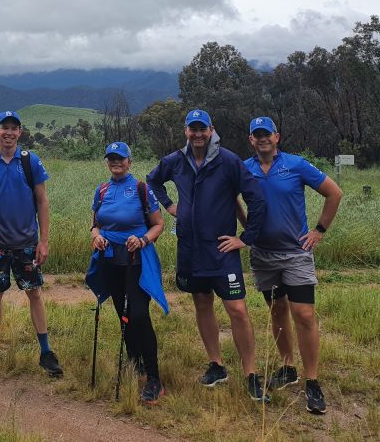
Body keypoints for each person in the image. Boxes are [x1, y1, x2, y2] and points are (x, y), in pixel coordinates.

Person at [146, 109, 270, 402]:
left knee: (237, 310)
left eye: (203, 129)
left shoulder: (228, 161)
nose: (198, 134)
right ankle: (216, 365)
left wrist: (245, 238)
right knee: (202, 304)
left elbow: (257, 198)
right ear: (186, 131)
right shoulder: (176, 160)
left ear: (211, 129)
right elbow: (152, 182)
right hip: (190, 249)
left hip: (222, 250)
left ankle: (251, 374)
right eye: (193, 129)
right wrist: (169, 205)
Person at [243, 116, 342, 414]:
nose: (262, 139)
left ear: (277, 137)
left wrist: (319, 231)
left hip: (296, 253)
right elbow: (231, 198)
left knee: (304, 314)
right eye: (256, 135)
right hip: (263, 255)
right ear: (251, 140)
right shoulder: (244, 169)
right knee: (277, 311)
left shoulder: (296, 164)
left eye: (267, 134)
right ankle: (288, 367)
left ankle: (312, 381)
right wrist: (246, 230)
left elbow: (333, 192)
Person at [0, 111, 64, 377]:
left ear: (20, 132)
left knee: (34, 293)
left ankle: (46, 352)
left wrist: (44, 241)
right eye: (4, 128)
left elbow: (42, 201)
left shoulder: (31, 162)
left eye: (14, 128)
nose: (8, 133)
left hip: (26, 244)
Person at [85, 142, 169, 405]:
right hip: (111, 259)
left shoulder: (141, 189)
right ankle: (135, 364)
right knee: (124, 316)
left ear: (129, 162)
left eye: (120, 159)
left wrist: (143, 240)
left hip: (136, 259)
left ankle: (154, 378)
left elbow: (158, 224)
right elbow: (95, 225)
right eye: (111, 159)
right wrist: (96, 237)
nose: (115, 163)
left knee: (139, 315)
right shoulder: (103, 189)